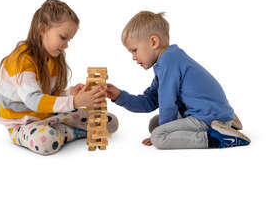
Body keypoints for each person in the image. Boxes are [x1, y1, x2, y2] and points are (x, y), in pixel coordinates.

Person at [0, 0, 118, 155]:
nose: (66, 45)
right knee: (47, 140)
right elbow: (34, 100)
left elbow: (49, 95)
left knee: (109, 122)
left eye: (69, 40)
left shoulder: (53, 57)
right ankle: (67, 132)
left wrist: (70, 93)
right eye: (63, 37)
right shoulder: (21, 61)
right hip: (22, 123)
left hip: (48, 116)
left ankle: (60, 129)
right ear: (43, 28)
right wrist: (75, 102)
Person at [106, 11, 250, 149]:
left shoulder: (169, 61)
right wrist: (119, 96)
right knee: (154, 124)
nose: (134, 57)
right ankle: (226, 121)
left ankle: (218, 138)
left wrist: (164, 132)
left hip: (205, 115)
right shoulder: (168, 61)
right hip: (207, 111)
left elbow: (167, 104)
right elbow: (149, 101)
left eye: (134, 50)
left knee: (158, 137)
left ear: (153, 41)